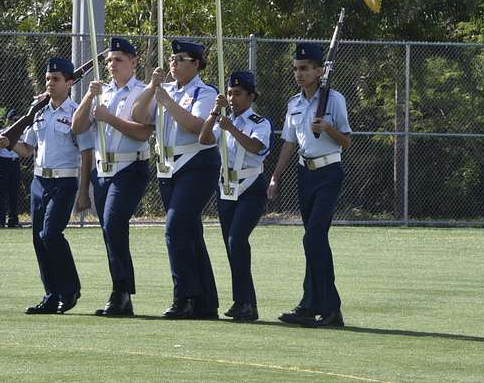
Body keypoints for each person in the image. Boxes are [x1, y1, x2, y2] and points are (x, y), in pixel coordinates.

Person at [0, 57, 94, 315]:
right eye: (48, 79)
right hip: (40, 181)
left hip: (64, 181)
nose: (50, 83)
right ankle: (51, 294)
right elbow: (27, 149)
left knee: (50, 234)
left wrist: (84, 190)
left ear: (70, 83)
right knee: (38, 239)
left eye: (56, 79)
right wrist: (8, 142)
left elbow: (86, 153)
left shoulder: (76, 112)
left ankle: (69, 290)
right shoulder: (37, 111)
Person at [131, 39, 220, 319]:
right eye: (172, 58)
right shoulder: (164, 89)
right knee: (190, 233)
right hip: (169, 167)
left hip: (196, 163)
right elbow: (138, 115)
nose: (174, 63)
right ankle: (205, 301)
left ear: (196, 64)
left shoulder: (205, 92)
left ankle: (185, 296)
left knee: (174, 229)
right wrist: (151, 88)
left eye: (181, 59)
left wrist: (167, 101)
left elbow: (196, 125)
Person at [267, 42, 352, 329]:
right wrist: (276, 176)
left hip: (329, 172)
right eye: (296, 69)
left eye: (304, 69)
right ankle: (310, 304)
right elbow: (289, 143)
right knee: (314, 241)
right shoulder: (294, 104)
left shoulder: (334, 100)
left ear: (319, 71)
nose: (299, 74)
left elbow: (346, 141)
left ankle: (331, 307)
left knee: (313, 238)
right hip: (306, 174)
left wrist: (328, 129)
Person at [72, 36, 154, 317]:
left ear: (133, 61)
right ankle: (120, 293)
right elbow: (78, 126)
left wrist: (109, 118)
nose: (112, 65)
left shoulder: (142, 91)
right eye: (108, 61)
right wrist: (88, 96)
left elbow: (143, 132)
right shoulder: (102, 92)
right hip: (103, 169)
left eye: (118, 59)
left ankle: (121, 291)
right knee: (109, 230)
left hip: (130, 167)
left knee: (113, 221)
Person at [199, 71, 271, 322]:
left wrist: (231, 129)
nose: (232, 98)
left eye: (238, 94)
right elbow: (204, 138)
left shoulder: (260, 122)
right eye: (229, 93)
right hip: (227, 187)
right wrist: (213, 114)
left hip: (251, 186)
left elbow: (255, 147)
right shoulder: (223, 119)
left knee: (237, 240)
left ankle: (246, 302)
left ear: (251, 97)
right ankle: (244, 302)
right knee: (232, 246)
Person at [0, 109, 22, 228]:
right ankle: (0, 220)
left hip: (14, 163)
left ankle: (13, 220)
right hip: (4, 162)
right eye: (13, 120)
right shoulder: (2, 132)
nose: (15, 122)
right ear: (8, 120)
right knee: (2, 192)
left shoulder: (21, 132)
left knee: (14, 192)